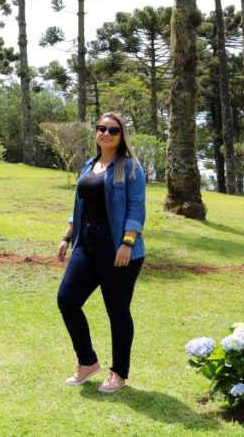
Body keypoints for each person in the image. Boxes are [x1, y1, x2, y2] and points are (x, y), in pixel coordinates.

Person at [56, 112, 146, 393]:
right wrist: (66, 236)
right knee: (67, 299)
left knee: (117, 311)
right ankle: (87, 363)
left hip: (117, 249)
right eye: (101, 128)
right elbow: (79, 206)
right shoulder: (88, 165)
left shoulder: (130, 167)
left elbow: (136, 207)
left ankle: (118, 372)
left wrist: (127, 244)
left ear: (121, 136)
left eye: (113, 130)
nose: (106, 133)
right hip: (86, 244)